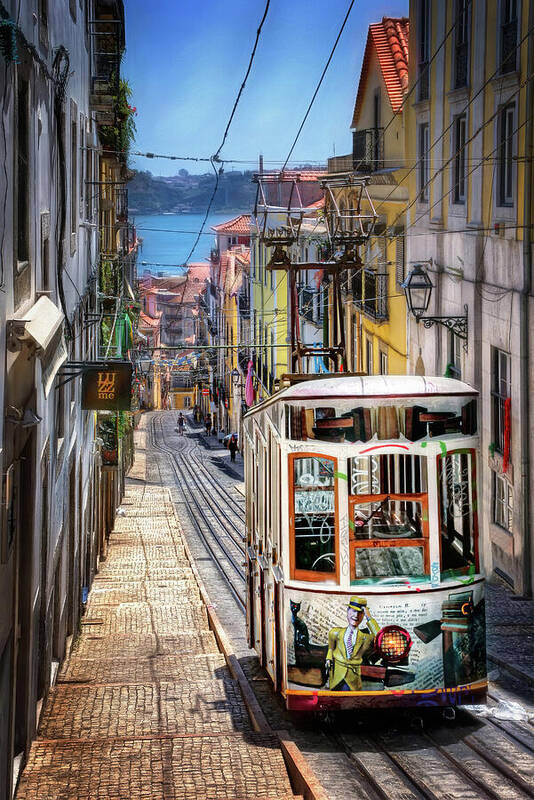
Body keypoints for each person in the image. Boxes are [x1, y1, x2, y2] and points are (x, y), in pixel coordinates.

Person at [325, 597, 380, 691]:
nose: (356, 615)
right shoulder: (335, 632)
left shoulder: (366, 638)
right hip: (337, 676)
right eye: (354, 611)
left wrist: (369, 617)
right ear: (347, 611)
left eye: (360, 613)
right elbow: (331, 648)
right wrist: (328, 659)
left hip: (353, 678)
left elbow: (380, 638)